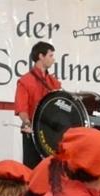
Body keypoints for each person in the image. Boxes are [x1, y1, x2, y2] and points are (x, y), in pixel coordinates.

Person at [14, 41, 62, 169]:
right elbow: (22, 109)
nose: (53, 59)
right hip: (33, 131)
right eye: (50, 56)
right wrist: (27, 122)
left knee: (51, 171)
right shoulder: (25, 81)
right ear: (41, 56)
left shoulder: (54, 82)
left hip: (51, 133)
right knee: (32, 169)